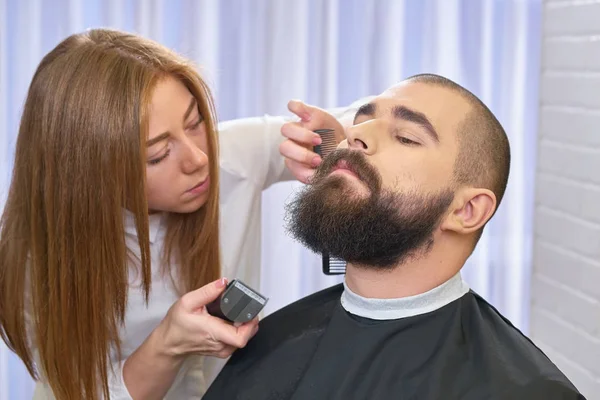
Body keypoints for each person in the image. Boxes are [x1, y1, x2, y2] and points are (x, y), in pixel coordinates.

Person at [0, 28, 361, 400]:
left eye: (195, 123)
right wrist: (168, 344)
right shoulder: (31, 262)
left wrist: (336, 137)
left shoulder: (233, 157)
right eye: (156, 155)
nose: (198, 159)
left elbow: (377, 120)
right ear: (88, 172)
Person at [203, 74, 586, 400]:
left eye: (405, 137)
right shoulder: (269, 344)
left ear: (466, 211)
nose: (355, 135)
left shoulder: (525, 391)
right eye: (361, 121)